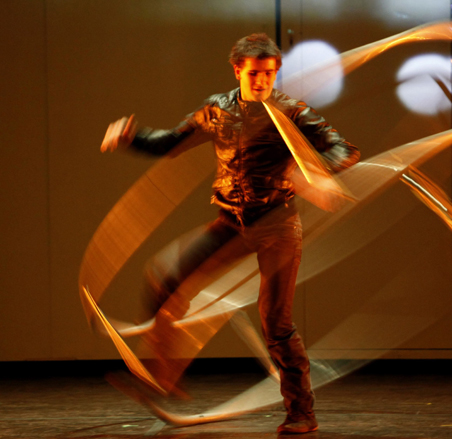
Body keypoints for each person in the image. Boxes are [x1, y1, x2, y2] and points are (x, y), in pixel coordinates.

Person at [101, 33, 359, 434]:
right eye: (255, 73)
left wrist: (317, 174)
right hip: (232, 223)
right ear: (238, 70)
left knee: (276, 323)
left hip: (276, 226)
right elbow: (169, 142)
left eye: (270, 74)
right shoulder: (216, 110)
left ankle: (301, 412)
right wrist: (131, 137)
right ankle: (163, 376)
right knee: (165, 279)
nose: (262, 82)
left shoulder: (290, 112)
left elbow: (343, 148)